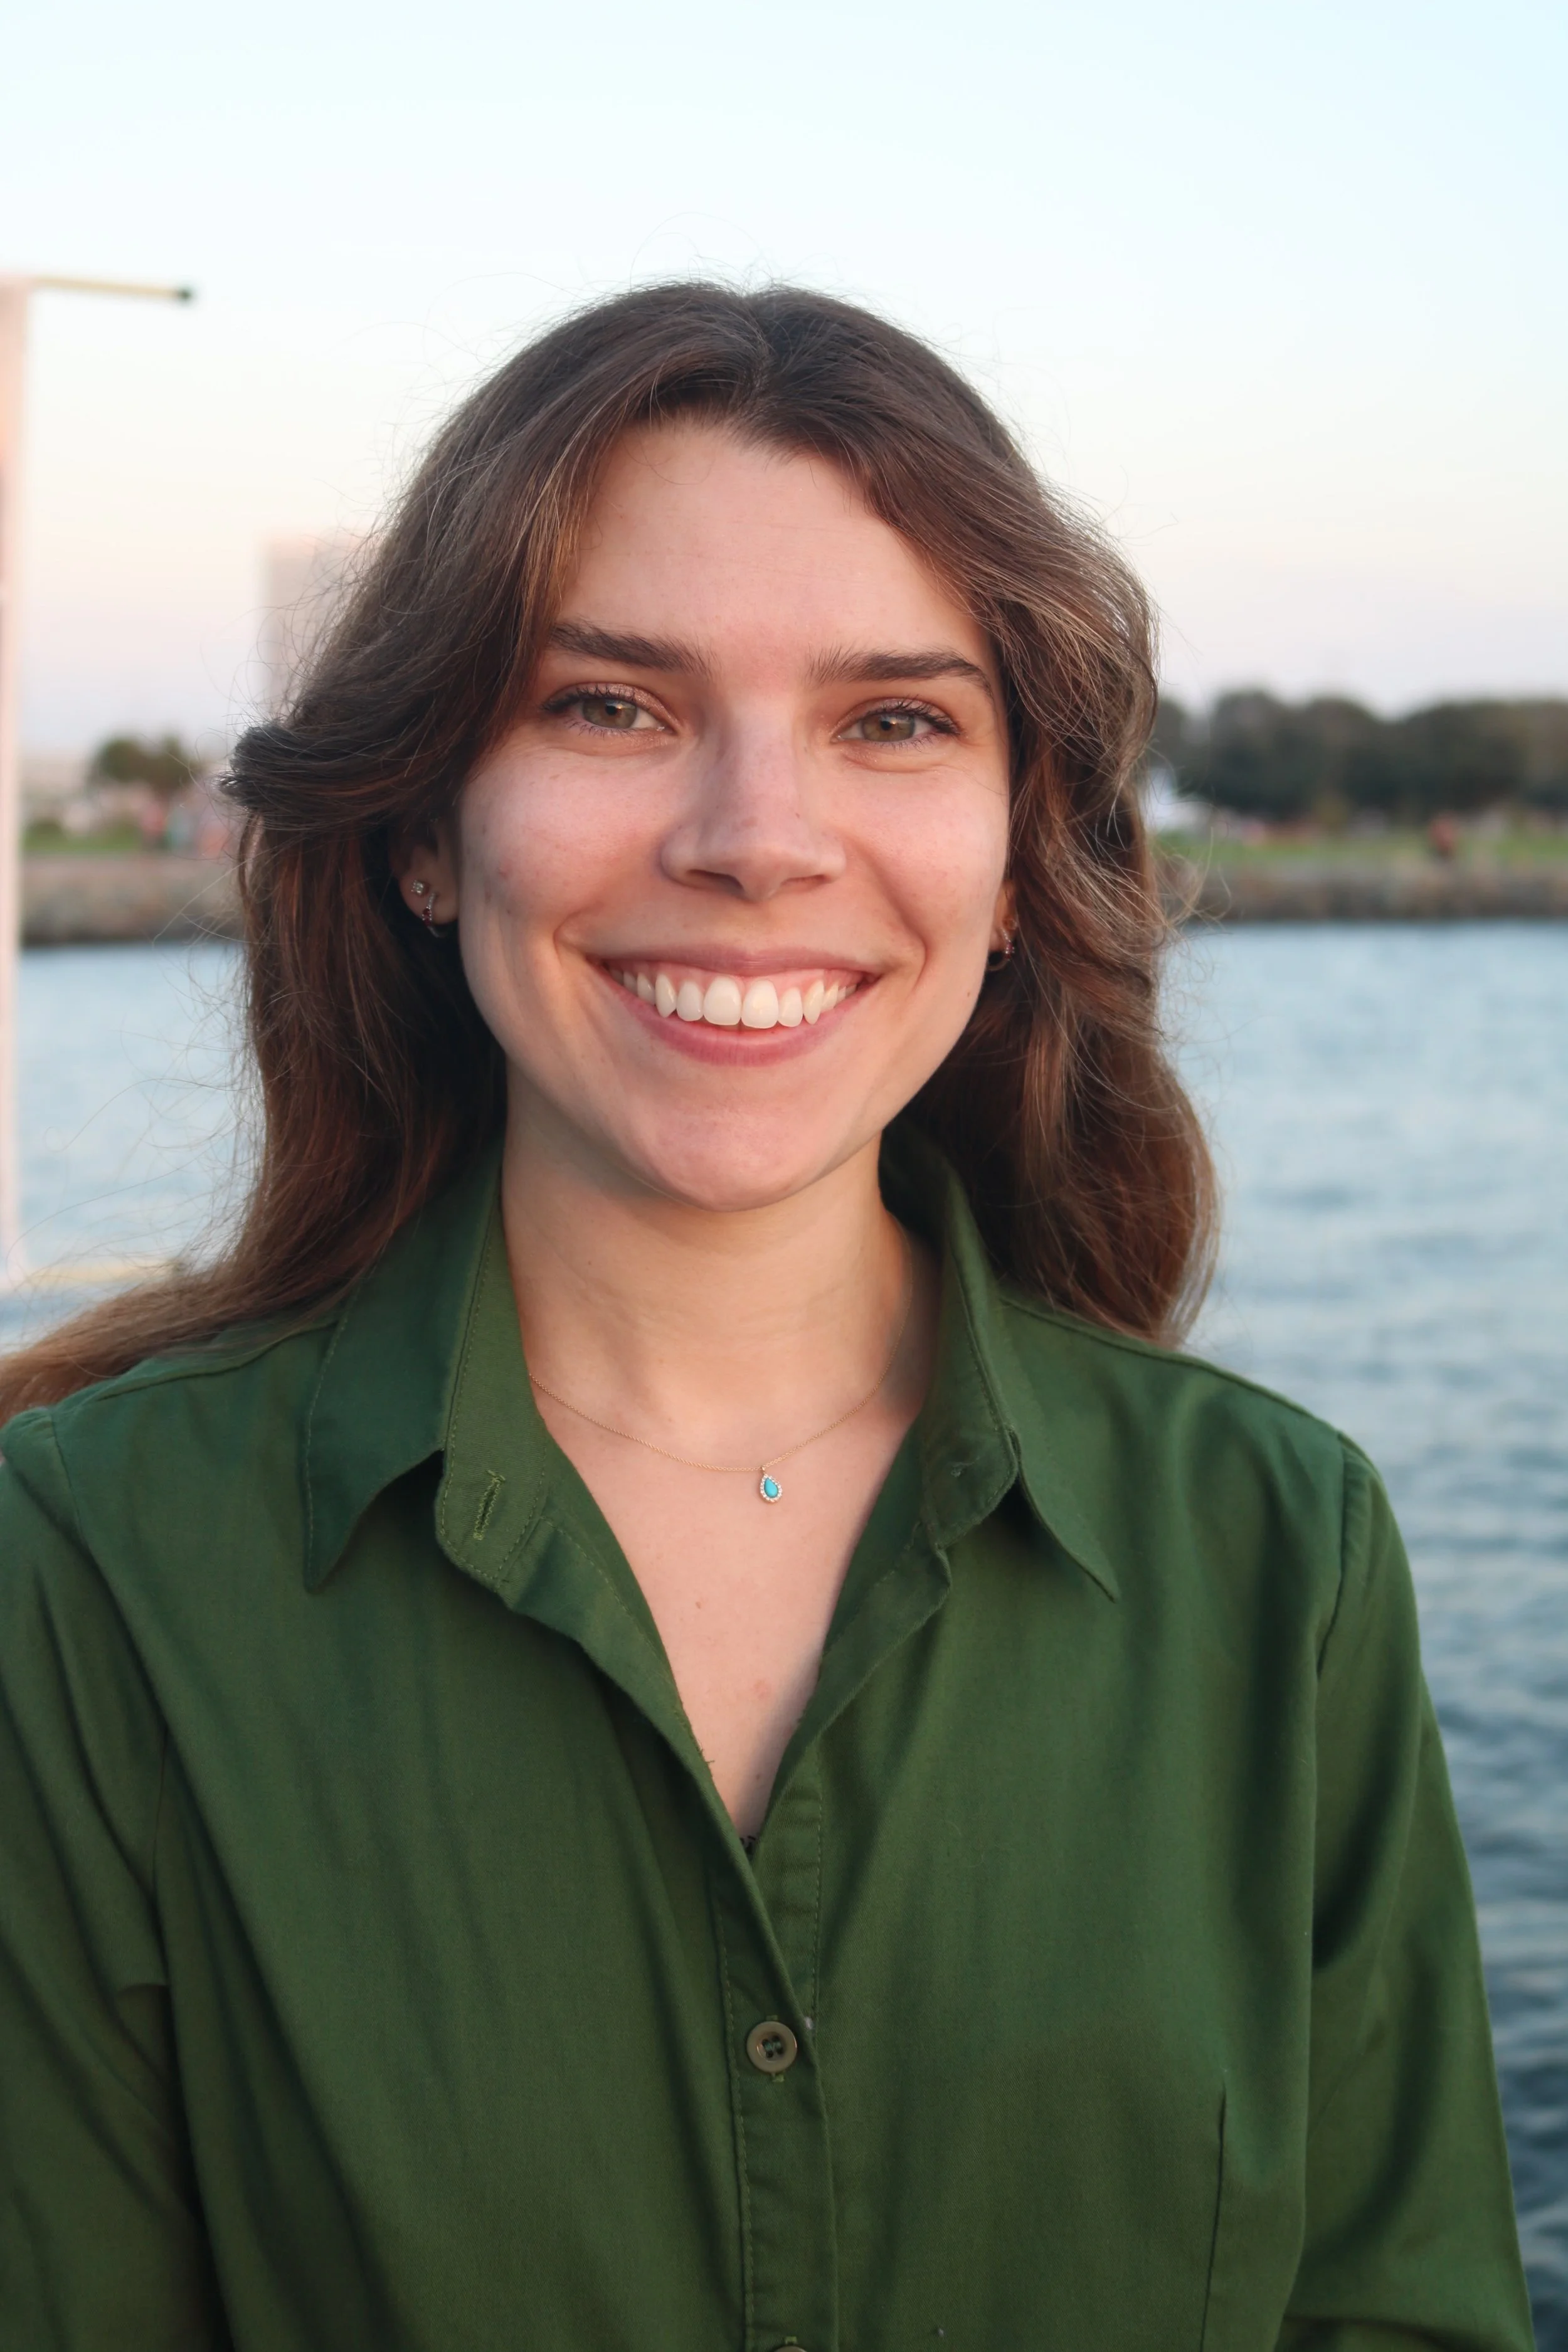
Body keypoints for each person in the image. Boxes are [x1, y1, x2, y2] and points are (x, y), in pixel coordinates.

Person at [0, 284, 1534, 2351]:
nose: (752, 840)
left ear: (1014, 861)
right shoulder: (81, 1566)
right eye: (608, 706)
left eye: (892, 718)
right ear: (425, 834)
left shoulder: (1281, 1548)